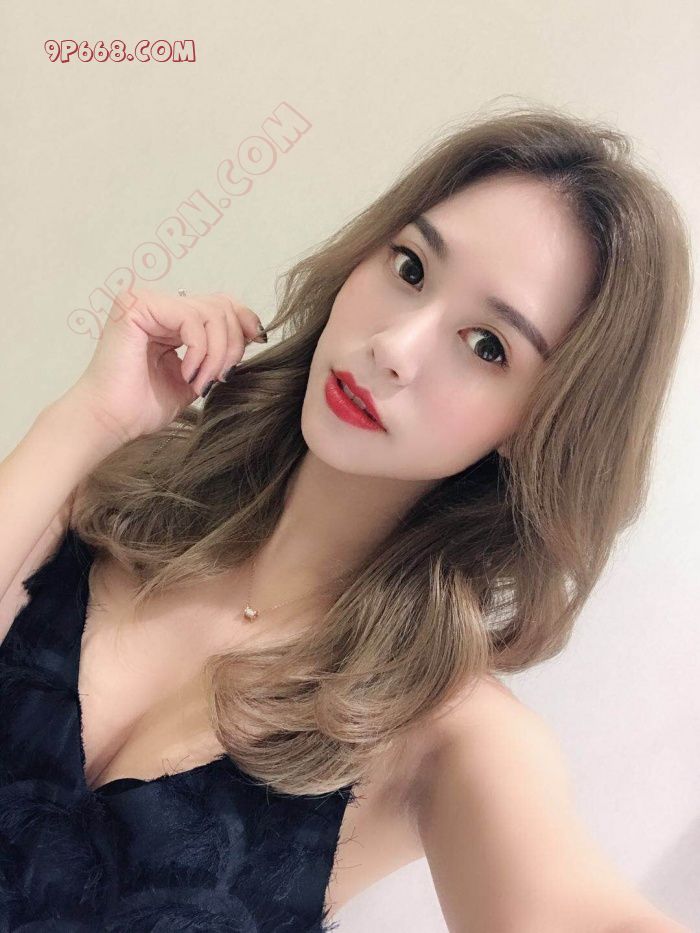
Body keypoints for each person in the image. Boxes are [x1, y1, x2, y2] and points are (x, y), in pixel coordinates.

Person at [0, 104, 692, 931]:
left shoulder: (447, 734)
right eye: (410, 267)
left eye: (487, 346)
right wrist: (89, 420)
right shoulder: (106, 503)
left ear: (541, 424)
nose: (395, 347)